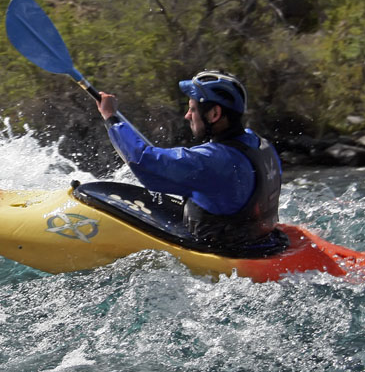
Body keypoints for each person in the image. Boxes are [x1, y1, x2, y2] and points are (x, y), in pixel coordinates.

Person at [95, 70, 283, 252]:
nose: (187, 115)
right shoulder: (260, 144)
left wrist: (110, 117)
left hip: (226, 253)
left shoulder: (211, 161)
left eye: (192, 108)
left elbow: (142, 161)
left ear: (214, 114)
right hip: (262, 241)